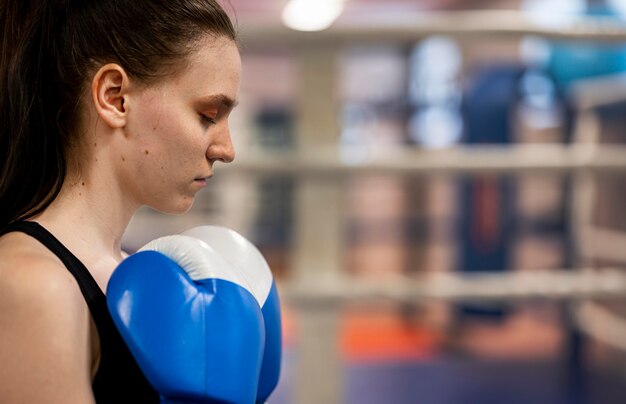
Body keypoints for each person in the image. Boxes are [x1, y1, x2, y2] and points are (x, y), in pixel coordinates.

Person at [0, 0, 241, 402]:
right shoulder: (33, 284)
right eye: (207, 114)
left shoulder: (130, 273)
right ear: (115, 98)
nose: (227, 149)